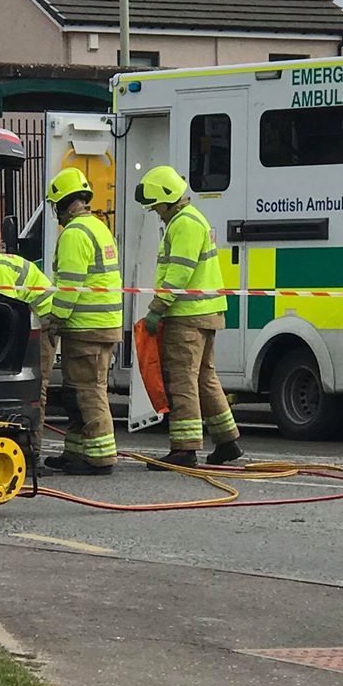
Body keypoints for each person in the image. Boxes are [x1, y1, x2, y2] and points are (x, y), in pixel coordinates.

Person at [134, 165, 241, 469]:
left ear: (169, 199)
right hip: (206, 313)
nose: (157, 212)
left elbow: (179, 273)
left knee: (182, 379)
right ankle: (227, 440)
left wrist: (157, 308)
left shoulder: (183, 224)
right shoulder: (194, 220)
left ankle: (184, 448)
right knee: (205, 377)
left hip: (187, 316)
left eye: (157, 207)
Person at [44, 168, 122, 475]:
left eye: (56, 207)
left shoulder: (75, 234)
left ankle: (101, 457)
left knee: (88, 391)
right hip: (103, 323)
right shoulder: (99, 227)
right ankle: (75, 452)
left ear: (63, 203)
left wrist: (56, 319)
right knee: (77, 391)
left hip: (86, 325)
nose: (57, 215)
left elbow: (70, 285)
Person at [0, 242, 57, 452]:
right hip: (37, 317)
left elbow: (8, 316)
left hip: (42, 321)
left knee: (35, 387)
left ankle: (32, 451)